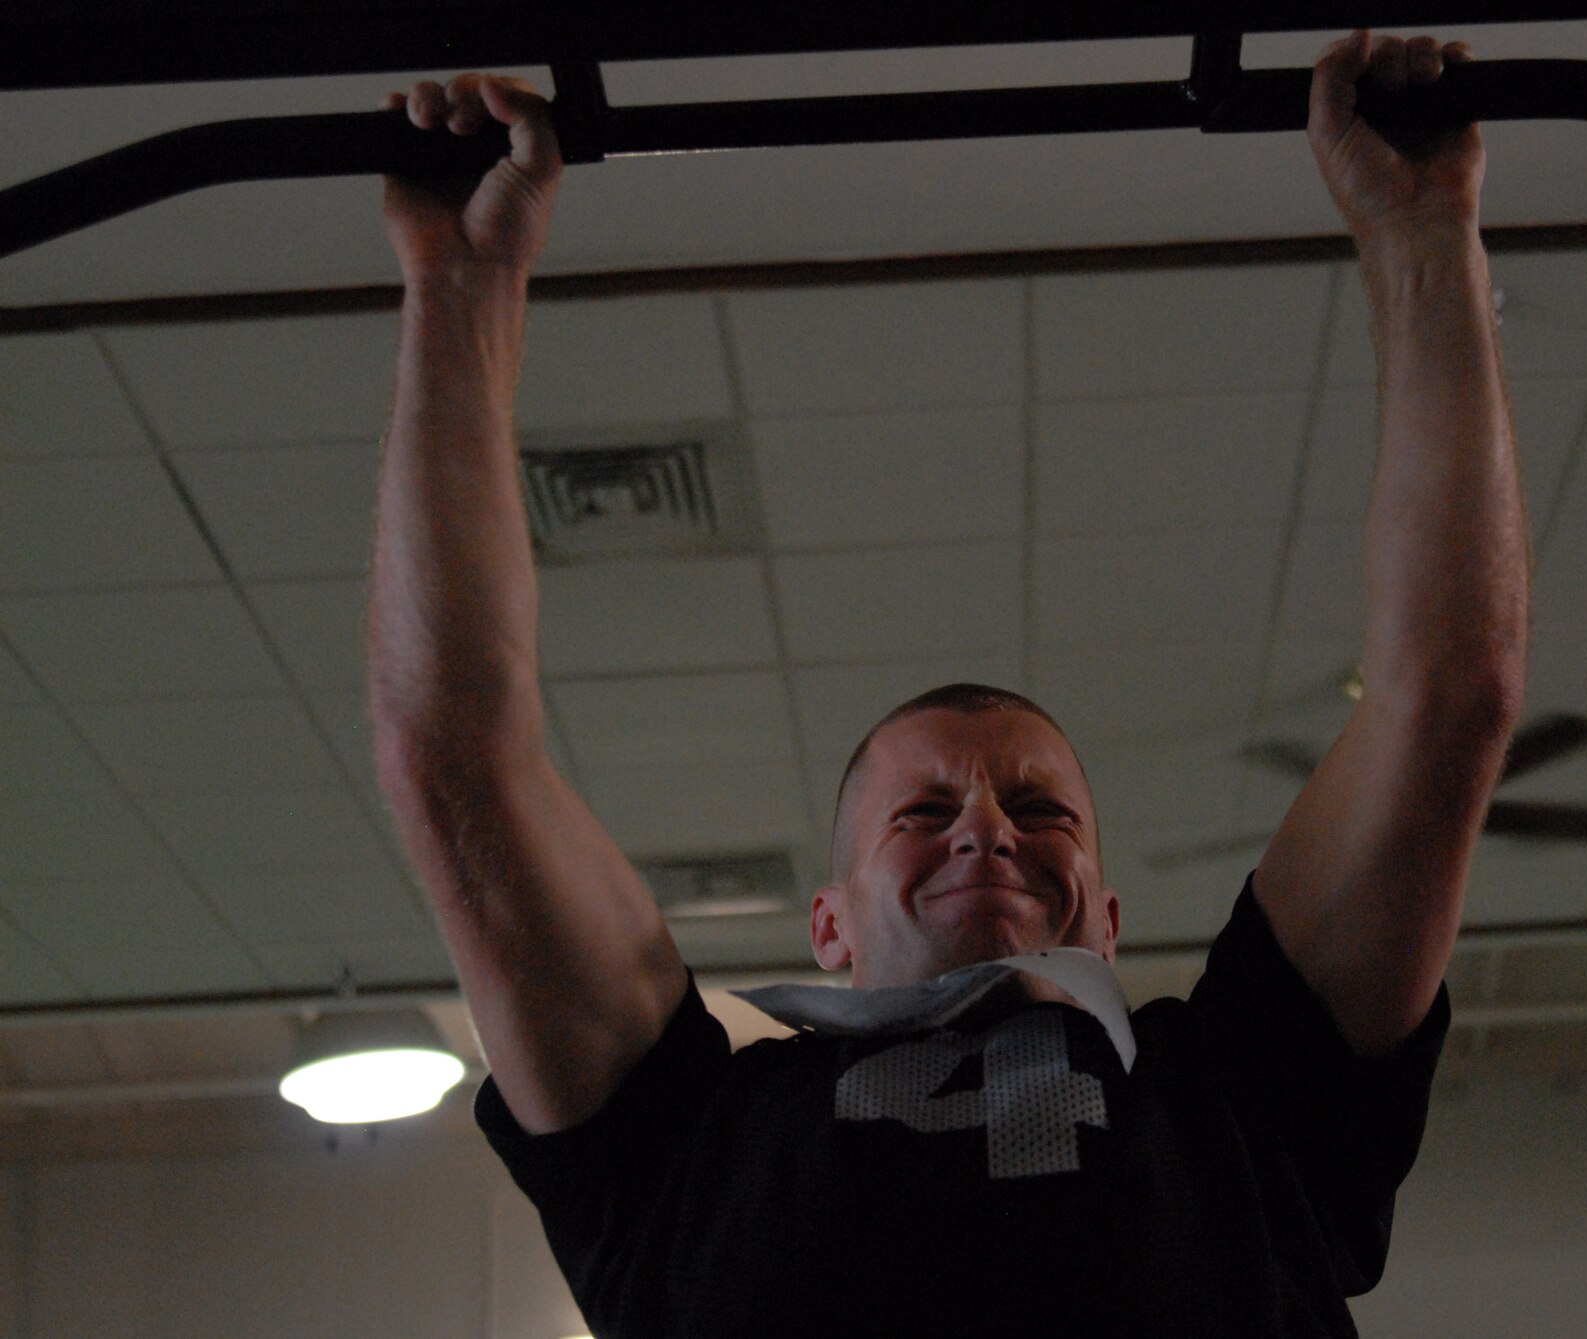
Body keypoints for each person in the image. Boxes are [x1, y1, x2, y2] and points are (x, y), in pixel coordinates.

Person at [368, 25, 1527, 1339]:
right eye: (923, 815)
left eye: (1044, 813)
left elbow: (1453, 697)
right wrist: (460, 286)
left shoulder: (1243, 1099)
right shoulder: (682, 1143)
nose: (987, 823)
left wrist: (1425, 235)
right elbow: (450, 752)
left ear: (1105, 921)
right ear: (830, 929)